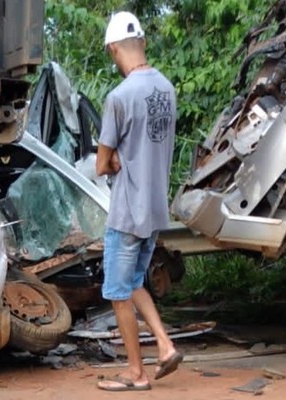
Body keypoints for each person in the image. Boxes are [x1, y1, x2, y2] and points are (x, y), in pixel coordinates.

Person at [95, 11, 183, 392]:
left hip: (127, 212)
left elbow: (101, 163)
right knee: (133, 282)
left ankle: (136, 373)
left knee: (117, 291)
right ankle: (164, 346)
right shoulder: (167, 88)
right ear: (143, 43)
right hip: (154, 211)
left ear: (114, 50)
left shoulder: (119, 97)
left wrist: (114, 159)